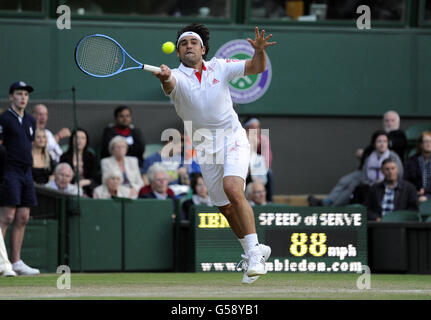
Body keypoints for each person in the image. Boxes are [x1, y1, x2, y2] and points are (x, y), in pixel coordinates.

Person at [152, 23, 276, 283]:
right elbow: (170, 84)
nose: (188, 46)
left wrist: (260, 52)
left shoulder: (220, 66)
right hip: (205, 148)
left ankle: (255, 253)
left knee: (233, 189)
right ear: (177, 53)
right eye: (183, 43)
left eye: (193, 42)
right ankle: (252, 251)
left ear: (203, 48)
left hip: (233, 138)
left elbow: (257, 67)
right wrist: (165, 77)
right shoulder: (175, 76)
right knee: (225, 209)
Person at [0, 81, 40, 275]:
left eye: (25, 94)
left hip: (26, 172)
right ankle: (2, 263)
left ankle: (16, 262)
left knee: (23, 217)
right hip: (9, 171)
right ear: (11, 97)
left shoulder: (31, 121)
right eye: (19, 94)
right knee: (7, 216)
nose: (23, 97)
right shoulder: (4, 119)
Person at [309, 130, 403, 207]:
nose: (382, 144)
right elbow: (364, 173)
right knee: (345, 181)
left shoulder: (393, 156)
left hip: (383, 184)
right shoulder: (370, 155)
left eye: (385, 141)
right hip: (368, 181)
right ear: (374, 144)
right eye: (379, 141)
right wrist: (370, 182)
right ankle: (327, 202)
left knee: (353, 186)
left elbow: (399, 174)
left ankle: (332, 206)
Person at [60, 128, 99, 197]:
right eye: (77, 138)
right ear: (72, 140)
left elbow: (95, 176)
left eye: (83, 138)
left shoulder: (91, 157)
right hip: (68, 188)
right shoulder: (65, 156)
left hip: (88, 188)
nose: (80, 141)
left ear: (86, 141)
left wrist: (83, 182)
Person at [244, 117, 273, 202]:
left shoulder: (264, 139)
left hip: (259, 169)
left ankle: (269, 200)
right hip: (244, 168)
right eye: (253, 127)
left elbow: (267, 161)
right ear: (247, 129)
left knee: (269, 173)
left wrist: (257, 170)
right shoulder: (241, 139)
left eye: (258, 127)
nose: (256, 130)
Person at [404, 131, 431, 202]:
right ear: (420, 144)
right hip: (416, 193)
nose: (429, 144)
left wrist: (426, 190)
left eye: (430, 141)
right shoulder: (412, 161)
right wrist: (415, 191)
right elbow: (406, 180)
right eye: (426, 141)